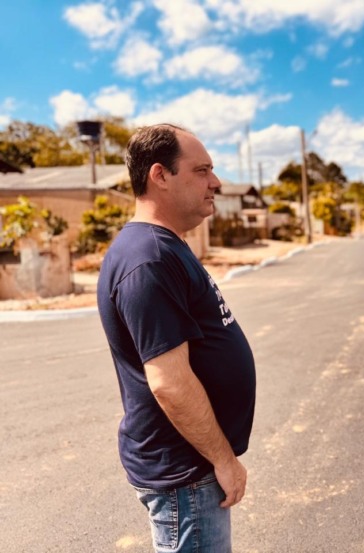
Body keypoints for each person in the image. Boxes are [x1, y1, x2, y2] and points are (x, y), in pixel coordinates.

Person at [97, 124, 256, 553]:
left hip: (189, 468)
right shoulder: (148, 258)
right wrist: (223, 459)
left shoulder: (165, 246)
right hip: (186, 473)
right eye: (202, 171)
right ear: (160, 175)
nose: (216, 182)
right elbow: (169, 382)